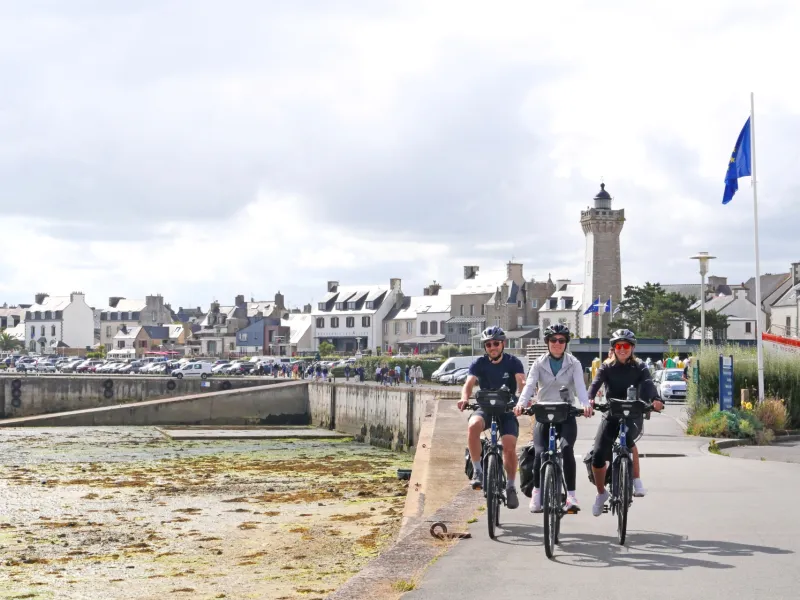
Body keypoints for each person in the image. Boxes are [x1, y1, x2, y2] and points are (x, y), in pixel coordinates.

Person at [515, 324, 592, 513]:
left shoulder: (573, 363)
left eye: (561, 340)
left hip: (566, 413)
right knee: (540, 454)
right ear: (547, 343)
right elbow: (530, 384)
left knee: (567, 449)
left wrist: (585, 404)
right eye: (553, 340)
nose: (557, 344)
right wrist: (521, 403)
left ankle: (571, 496)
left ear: (566, 343)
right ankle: (537, 492)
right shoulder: (539, 363)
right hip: (543, 412)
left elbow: (580, 386)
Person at [587, 328, 664, 517]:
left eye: (626, 346)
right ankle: (601, 493)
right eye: (619, 346)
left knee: (628, 440)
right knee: (597, 455)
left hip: (633, 414)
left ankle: (637, 481)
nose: (623, 349)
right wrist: (588, 399)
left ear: (632, 348)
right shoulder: (606, 367)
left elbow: (648, 384)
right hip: (611, 413)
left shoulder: (639, 367)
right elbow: (595, 384)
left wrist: (655, 399)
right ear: (613, 348)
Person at [458, 326, 526, 509]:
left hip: (507, 409)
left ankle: (511, 486)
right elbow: (469, 383)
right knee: (473, 426)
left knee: (509, 448)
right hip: (485, 407)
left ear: (503, 344)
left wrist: (524, 399)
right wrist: (464, 398)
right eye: (488, 344)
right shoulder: (479, 363)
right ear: (485, 347)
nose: (492, 347)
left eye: (496, 343)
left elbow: (521, 382)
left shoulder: (513, 362)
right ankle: (478, 472)